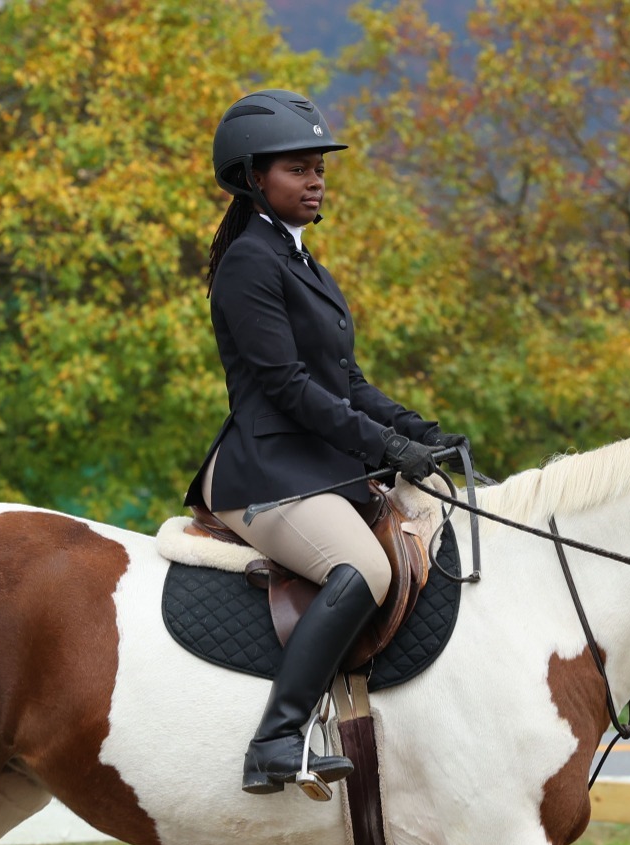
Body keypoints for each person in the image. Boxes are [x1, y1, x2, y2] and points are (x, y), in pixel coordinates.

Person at [189, 88, 467, 798]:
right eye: (298, 169)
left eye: (319, 169)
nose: (315, 181)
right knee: (364, 568)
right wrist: (385, 446)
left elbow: (346, 383)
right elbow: (287, 388)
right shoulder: (250, 263)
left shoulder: (305, 265)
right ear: (253, 178)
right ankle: (276, 739)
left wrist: (420, 433)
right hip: (264, 468)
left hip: (312, 465)